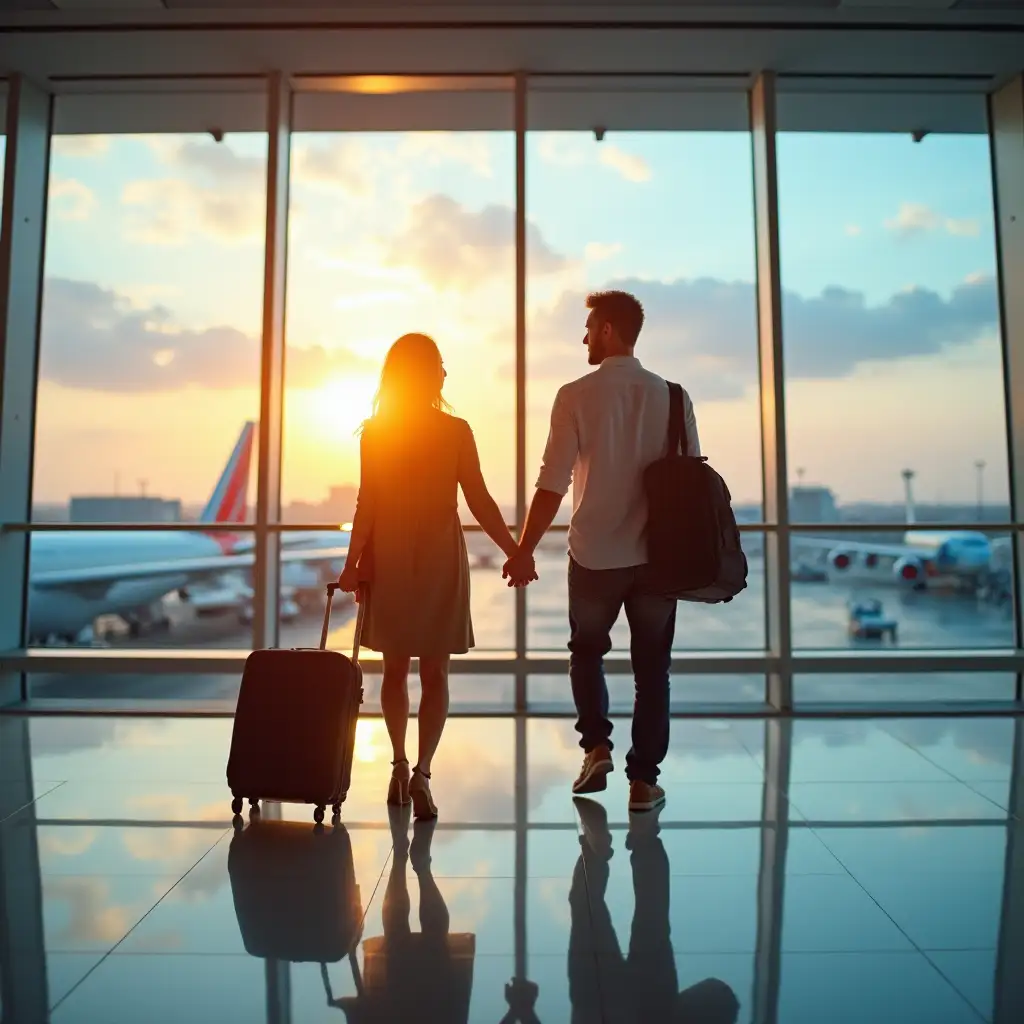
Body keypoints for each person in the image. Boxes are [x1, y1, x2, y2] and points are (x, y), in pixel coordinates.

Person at [503, 291, 700, 813]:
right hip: (658, 559)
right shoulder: (675, 397)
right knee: (652, 670)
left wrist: (524, 549)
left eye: (589, 327)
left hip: (593, 555)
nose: (584, 337)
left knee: (587, 652)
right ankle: (643, 783)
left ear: (610, 330)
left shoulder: (574, 395)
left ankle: (596, 747)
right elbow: (692, 477)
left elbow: (552, 482)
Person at [336, 333, 522, 821]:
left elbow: (368, 503)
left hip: (392, 555)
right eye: (440, 365)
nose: (444, 373)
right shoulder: (456, 430)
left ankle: (397, 766)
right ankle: (422, 775)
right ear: (426, 373)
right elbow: (479, 499)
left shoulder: (378, 432)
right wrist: (514, 551)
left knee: (394, 671)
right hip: (441, 555)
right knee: (435, 673)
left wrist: (352, 563)